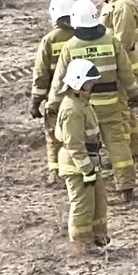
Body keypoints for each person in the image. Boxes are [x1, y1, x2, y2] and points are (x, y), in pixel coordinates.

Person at [57, 0, 135, 197]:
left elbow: (59, 79)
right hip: (110, 103)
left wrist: (53, 104)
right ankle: (126, 186)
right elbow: (126, 71)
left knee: (81, 144)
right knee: (117, 143)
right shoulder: (112, 42)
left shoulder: (70, 46)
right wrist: (133, 93)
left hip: (82, 106)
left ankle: (87, 179)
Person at [55, 59, 110, 253]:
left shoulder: (82, 103)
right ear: (78, 82)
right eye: (90, 81)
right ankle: (81, 244)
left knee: (98, 201)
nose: (93, 84)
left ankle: (97, 238)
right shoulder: (72, 109)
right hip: (78, 166)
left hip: (89, 162)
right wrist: (86, 169)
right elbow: (74, 144)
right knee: (82, 205)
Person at [97, 0, 138, 172]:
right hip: (119, 65)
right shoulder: (116, 5)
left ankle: (125, 153)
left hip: (122, 65)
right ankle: (134, 149)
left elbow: (122, 41)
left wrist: (111, 65)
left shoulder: (123, 7)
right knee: (126, 110)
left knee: (121, 111)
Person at [31, 0, 77, 185]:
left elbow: (41, 75)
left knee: (53, 136)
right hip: (81, 96)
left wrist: (36, 101)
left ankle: (55, 173)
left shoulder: (49, 40)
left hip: (55, 97)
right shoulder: (82, 35)